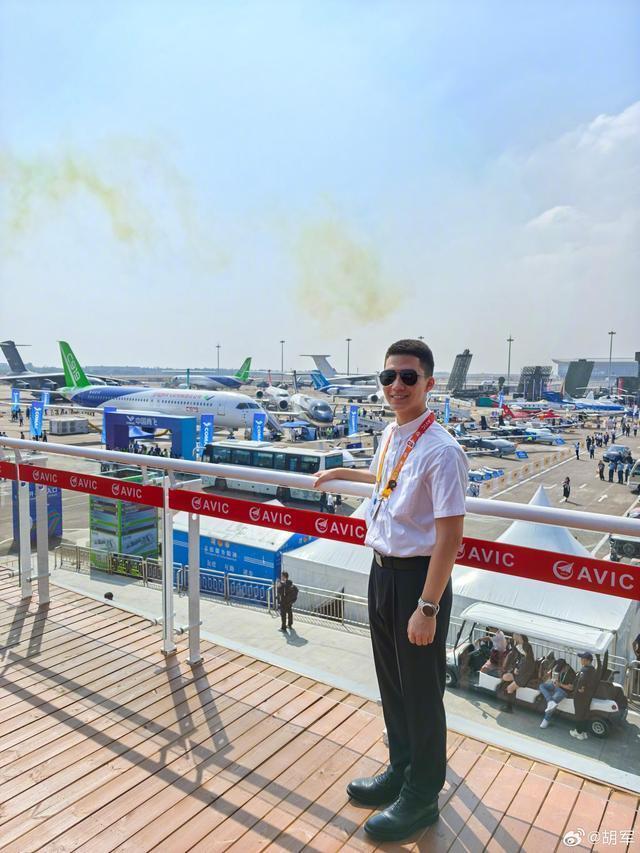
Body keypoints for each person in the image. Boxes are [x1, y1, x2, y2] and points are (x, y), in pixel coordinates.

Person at [313, 338, 468, 841]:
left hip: (418, 581)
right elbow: (384, 478)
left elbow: (450, 536)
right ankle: (401, 770)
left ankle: (422, 794)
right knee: (393, 685)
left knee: (421, 692)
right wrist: (341, 473)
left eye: (407, 377)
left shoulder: (443, 450)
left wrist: (428, 606)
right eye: (388, 376)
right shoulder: (393, 432)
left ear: (428, 383)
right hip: (382, 570)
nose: (396, 385)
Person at [498, 634, 535, 713]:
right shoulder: (525, 657)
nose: (521, 650)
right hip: (520, 676)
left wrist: (517, 671)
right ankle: (506, 691)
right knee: (505, 677)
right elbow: (520, 666)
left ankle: (509, 708)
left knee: (509, 688)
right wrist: (516, 669)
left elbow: (524, 671)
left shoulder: (528, 660)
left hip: (523, 679)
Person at [538, 659, 575, 729]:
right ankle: (550, 701)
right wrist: (553, 680)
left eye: (562, 670)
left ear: (565, 667)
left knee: (554, 700)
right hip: (556, 686)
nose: (561, 671)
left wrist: (560, 684)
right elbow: (554, 679)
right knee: (541, 686)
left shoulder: (571, 673)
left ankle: (546, 720)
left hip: (563, 690)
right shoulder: (558, 669)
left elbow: (571, 688)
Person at [570, 652, 599, 740]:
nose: (581, 660)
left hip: (580, 696)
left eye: (582, 659)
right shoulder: (593, 670)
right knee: (585, 714)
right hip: (588, 695)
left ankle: (578, 732)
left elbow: (581, 681)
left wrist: (579, 688)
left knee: (579, 714)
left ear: (587, 661)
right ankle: (583, 732)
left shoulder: (585, 669)